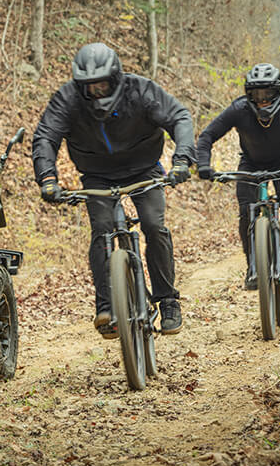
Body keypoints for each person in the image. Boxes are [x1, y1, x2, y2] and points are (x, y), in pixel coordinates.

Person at [32, 42, 195, 335]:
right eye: (89, 88)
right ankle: (106, 306)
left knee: (153, 225)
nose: (97, 93)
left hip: (144, 168)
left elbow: (178, 116)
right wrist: (47, 179)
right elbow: (46, 136)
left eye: (103, 85)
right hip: (96, 175)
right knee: (102, 229)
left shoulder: (140, 90)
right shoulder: (67, 99)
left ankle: (168, 300)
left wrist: (182, 160)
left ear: (117, 78)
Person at [195, 63, 280, 289]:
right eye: (256, 94)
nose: (262, 100)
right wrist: (203, 164)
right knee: (245, 208)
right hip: (251, 162)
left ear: (278, 92)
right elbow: (207, 135)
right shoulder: (239, 110)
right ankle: (254, 266)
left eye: (267, 93)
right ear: (247, 94)